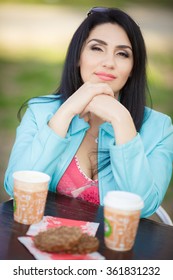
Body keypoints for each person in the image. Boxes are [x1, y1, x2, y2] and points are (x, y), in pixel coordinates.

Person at [4, 7, 173, 217]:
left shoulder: (160, 128)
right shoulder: (41, 112)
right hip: (44, 240)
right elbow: (16, 187)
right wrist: (64, 114)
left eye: (122, 54)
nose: (109, 62)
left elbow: (143, 207)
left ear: (132, 68)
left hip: (112, 247)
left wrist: (122, 122)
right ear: (78, 57)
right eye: (96, 48)